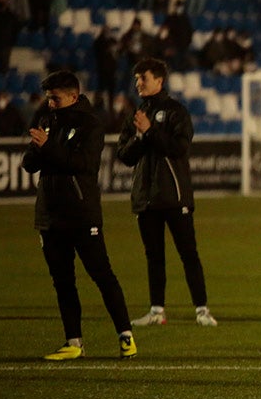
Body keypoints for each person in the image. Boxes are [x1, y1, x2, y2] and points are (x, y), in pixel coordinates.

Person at [21, 70, 136, 360]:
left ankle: (126, 336)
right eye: (48, 99)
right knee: (62, 281)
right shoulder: (47, 120)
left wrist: (48, 147)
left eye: (55, 99)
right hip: (50, 213)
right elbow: (28, 164)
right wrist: (38, 149)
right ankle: (74, 342)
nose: (50, 104)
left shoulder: (91, 125)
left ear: (73, 96)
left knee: (101, 275)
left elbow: (83, 164)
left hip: (81, 213)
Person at [116, 58, 218, 328]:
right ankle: (157, 311)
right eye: (137, 78)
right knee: (154, 257)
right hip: (146, 198)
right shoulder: (135, 114)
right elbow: (124, 156)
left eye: (144, 78)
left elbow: (179, 148)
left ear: (159, 81)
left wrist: (150, 132)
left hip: (174, 196)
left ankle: (202, 309)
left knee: (188, 254)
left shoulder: (176, 112)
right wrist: (140, 137)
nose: (138, 83)